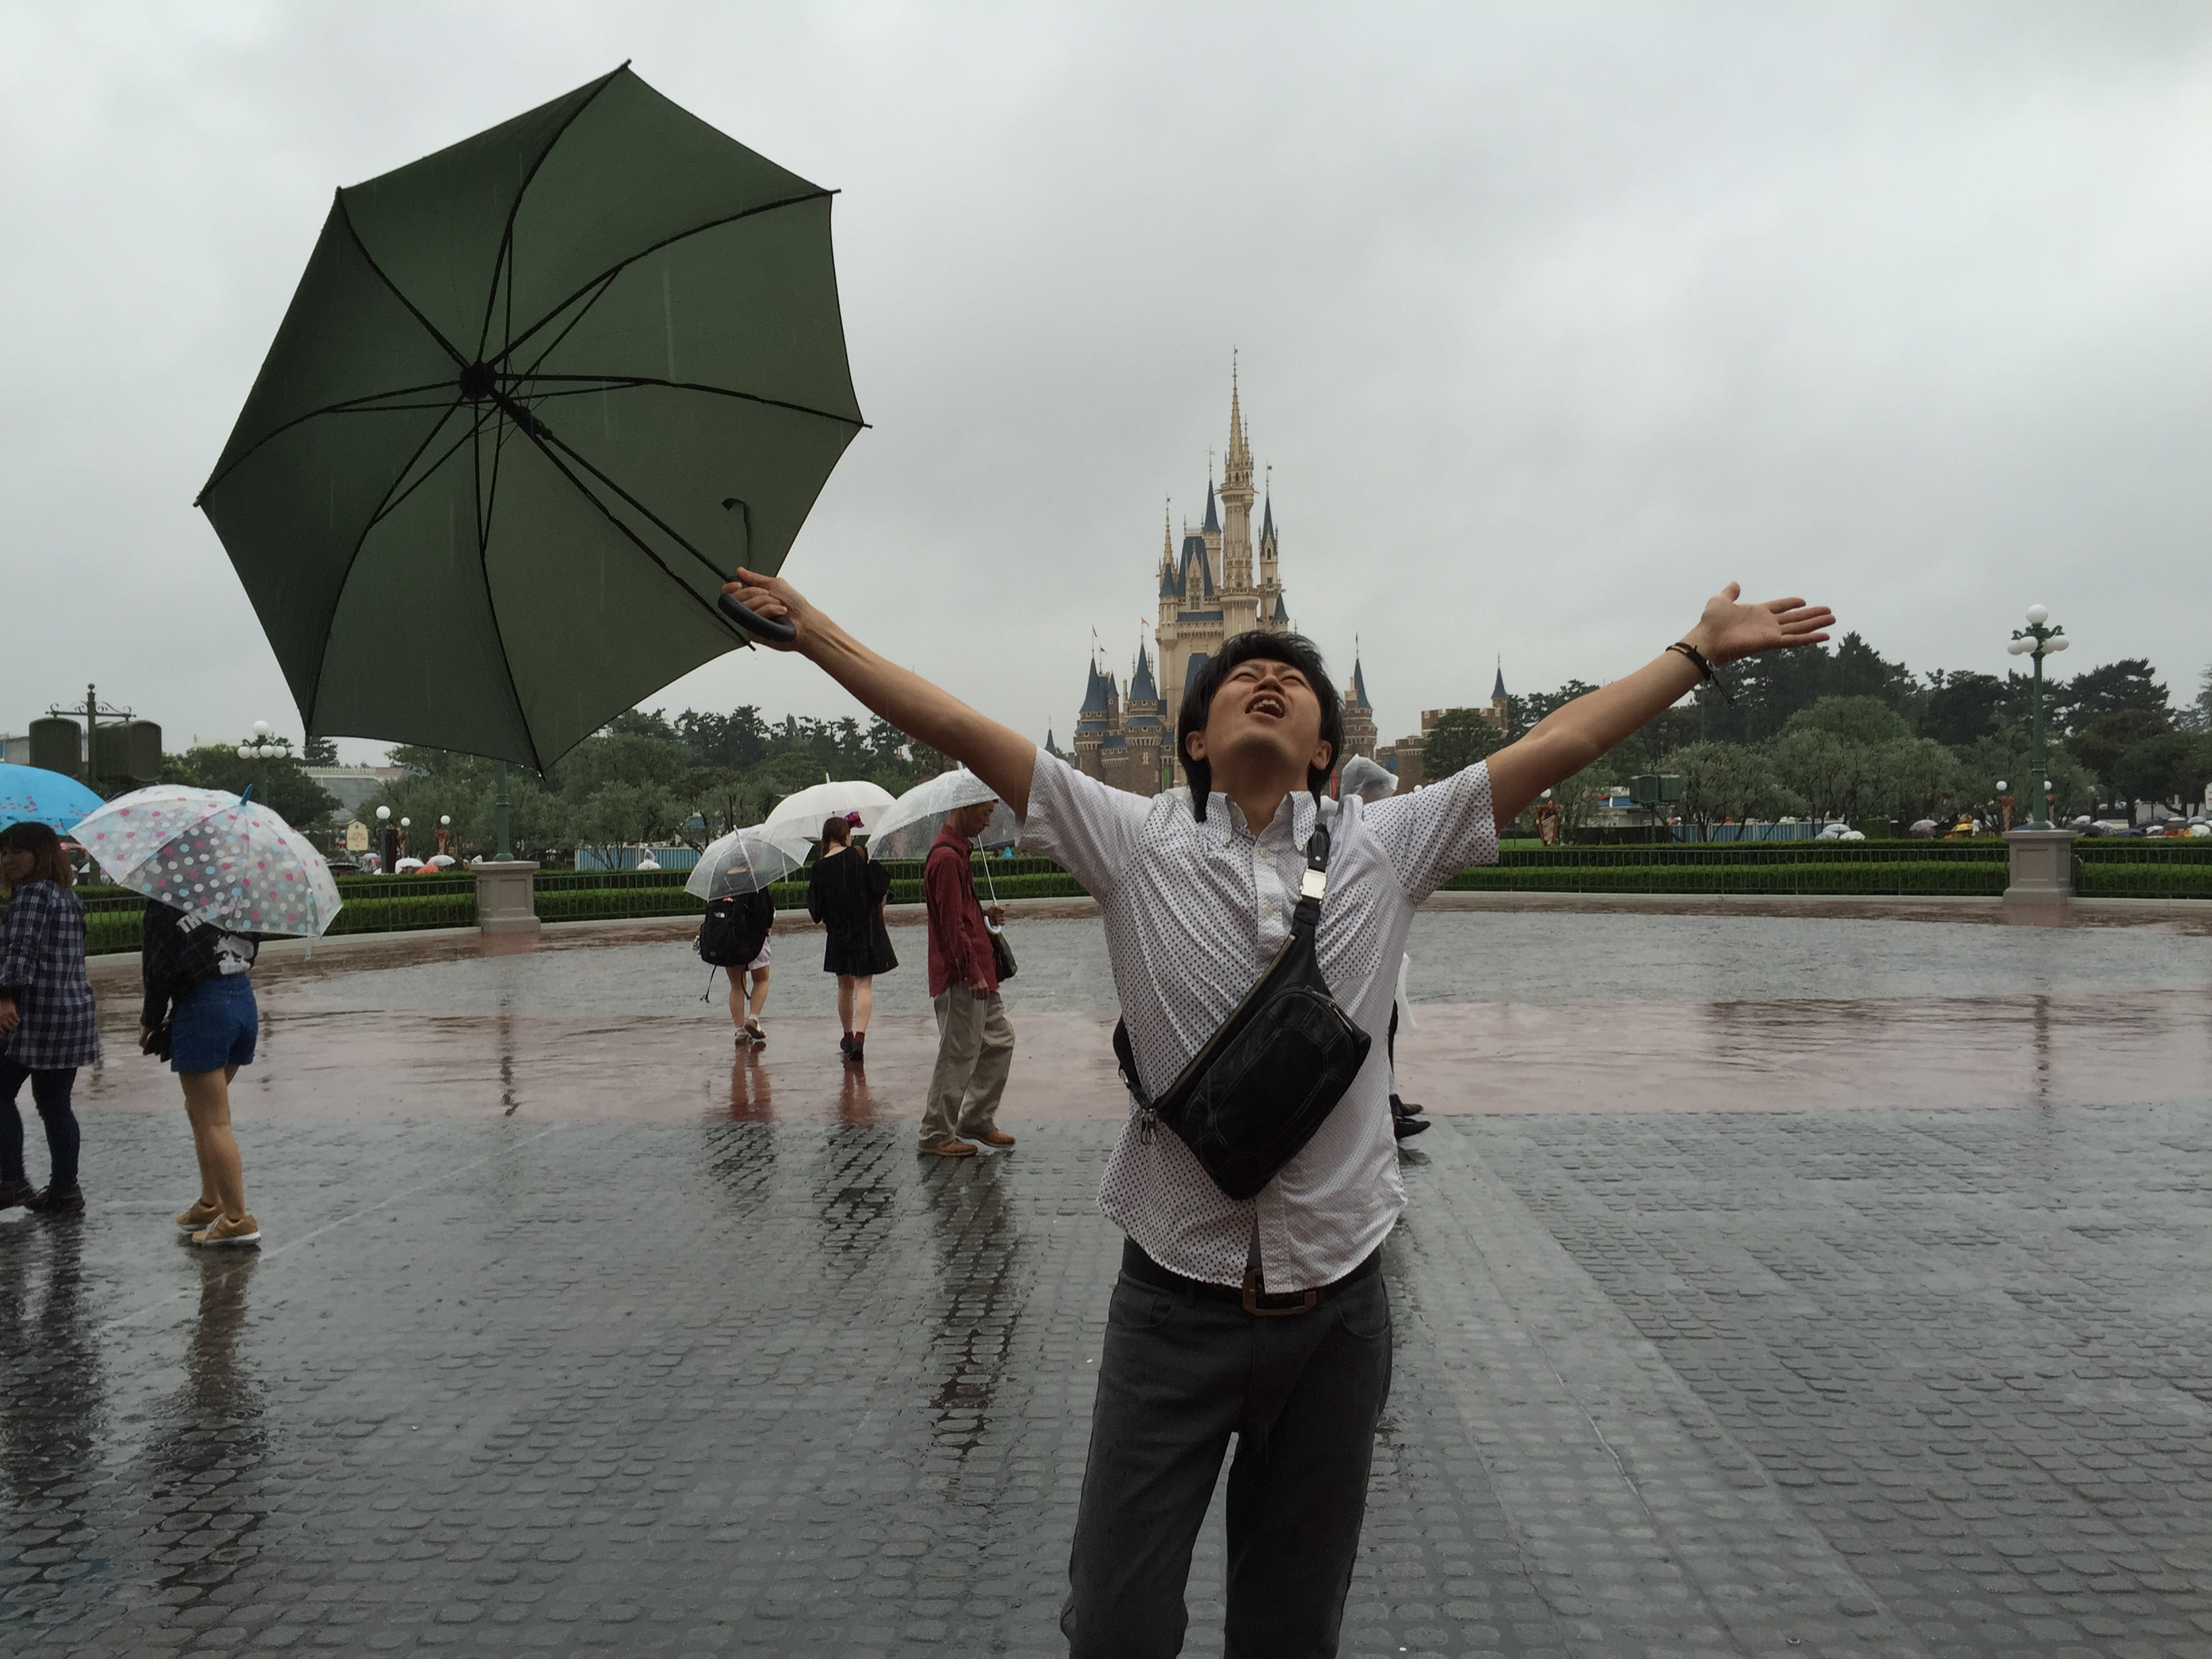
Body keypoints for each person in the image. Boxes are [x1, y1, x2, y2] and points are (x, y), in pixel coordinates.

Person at [720, 562, 1830, 1658]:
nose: (1265, 675)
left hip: (1336, 1316)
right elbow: (959, 723)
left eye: (1289, 677)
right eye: (1236, 672)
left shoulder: (1385, 844)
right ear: (1191, 737)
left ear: (1323, 748)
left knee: (1290, 1628)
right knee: (1114, 1623)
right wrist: (812, 629)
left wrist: (1692, 651)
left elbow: (1559, 742)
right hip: (1169, 1304)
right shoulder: (1132, 839)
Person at [141, 898, 263, 1248]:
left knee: (214, 1120)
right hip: (242, 1001)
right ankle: (212, 1203)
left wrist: (150, 1019)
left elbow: (158, 965)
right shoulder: (237, 889)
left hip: (202, 1008)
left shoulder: (167, 898)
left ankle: (238, 1218)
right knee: (200, 1110)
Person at [0, 823, 99, 1214]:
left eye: (17, 852)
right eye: (4, 851)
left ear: (40, 855)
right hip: (72, 1011)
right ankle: (65, 1190)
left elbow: (20, 954)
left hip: (34, 1012)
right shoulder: (66, 895)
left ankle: (11, 1181)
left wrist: (5, 997)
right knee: (56, 1103)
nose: (8, 860)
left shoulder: (30, 896)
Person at [918, 798, 1016, 1158]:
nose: (989, 821)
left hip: (980, 972)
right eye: (985, 812)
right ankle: (935, 1134)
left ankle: (975, 1118)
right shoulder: (945, 859)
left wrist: (983, 912)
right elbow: (949, 928)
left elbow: (960, 913)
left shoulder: (958, 855)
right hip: (964, 976)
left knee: (1000, 1041)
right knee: (958, 1054)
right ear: (963, 809)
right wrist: (971, 973)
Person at [1338, 757, 1427, 1141]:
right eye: (1379, 793)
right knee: (1374, 1030)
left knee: (1385, 1025)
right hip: (1359, 957)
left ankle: (1390, 1101)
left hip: (1377, 949)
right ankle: (1385, 1111)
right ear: (1363, 793)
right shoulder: (1349, 831)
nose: (1385, 799)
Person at [806, 813, 896, 1063]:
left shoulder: (819, 867)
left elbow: (816, 912)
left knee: (844, 986)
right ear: (846, 836)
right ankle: (859, 1038)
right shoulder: (859, 855)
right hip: (865, 930)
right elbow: (880, 886)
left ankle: (846, 1036)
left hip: (837, 934)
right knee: (863, 986)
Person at [728, 886, 777, 1048]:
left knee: (736, 986)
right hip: (756, 938)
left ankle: (740, 1031)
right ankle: (753, 1018)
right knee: (762, 979)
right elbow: (768, 911)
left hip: (731, 938)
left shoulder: (723, 881)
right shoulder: (757, 881)